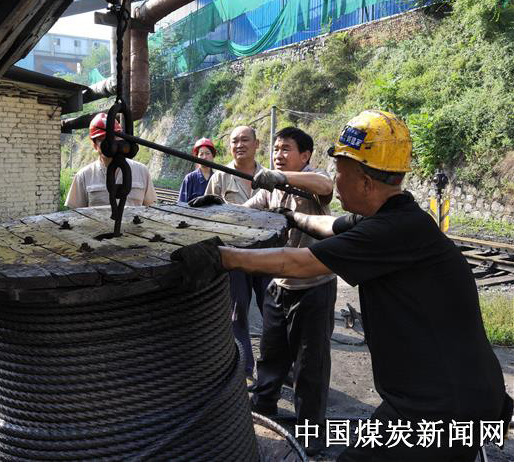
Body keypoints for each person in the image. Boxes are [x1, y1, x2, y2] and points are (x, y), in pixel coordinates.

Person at [172, 110, 513, 461]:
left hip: (441, 405)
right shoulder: (396, 218)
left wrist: (220, 257)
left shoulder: (389, 231)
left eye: (340, 171)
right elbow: (330, 225)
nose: (335, 180)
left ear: (365, 183)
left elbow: (298, 262)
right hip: (456, 390)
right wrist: (289, 217)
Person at [243, 127, 337, 456]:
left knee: (310, 366)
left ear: (305, 155)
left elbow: (326, 185)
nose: (278, 155)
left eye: (286, 149)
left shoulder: (314, 182)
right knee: (271, 355)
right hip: (280, 284)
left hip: (314, 287)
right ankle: (263, 409)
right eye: (276, 149)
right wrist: (215, 207)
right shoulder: (272, 189)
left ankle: (312, 433)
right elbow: (245, 209)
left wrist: (283, 177)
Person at [196, 125, 271, 386]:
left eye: (245, 140)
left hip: (269, 253)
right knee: (238, 313)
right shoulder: (219, 178)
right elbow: (207, 214)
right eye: (234, 141)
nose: (239, 145)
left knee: (272, 311)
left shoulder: (269, 177)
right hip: (235, 255)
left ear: (256, 144)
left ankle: (275, 367)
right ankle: (245, 368)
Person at [65, 113, 156, 208]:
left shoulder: (142, 171)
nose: (110, 144)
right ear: (95, 145)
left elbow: (151, 209)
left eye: (114, 138)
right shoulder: (83, 175)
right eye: (103, 140)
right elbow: (75, 213)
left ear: (121, 139)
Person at [178, 138, 216, 203]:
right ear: (197, 157)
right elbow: (181, 203)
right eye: (201, 154)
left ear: (213, 156)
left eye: (207, 153)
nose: (204, 157)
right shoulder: (190, 178)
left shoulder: (217, 178)